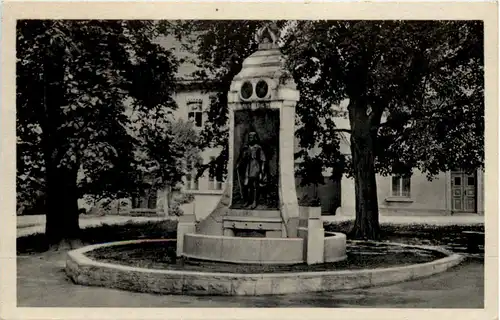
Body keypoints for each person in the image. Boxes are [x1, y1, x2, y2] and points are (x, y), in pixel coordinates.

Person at [237, 131, 267, 209]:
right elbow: (242, 158)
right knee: (246, 185)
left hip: (255, 166)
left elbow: (263, 159)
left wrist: (262, 169)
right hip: (247, 167)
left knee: (254, 185)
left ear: (255, 138)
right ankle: (247, 201)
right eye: (249, 137)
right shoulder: (246, 147)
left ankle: (254, 201)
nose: (250, 138)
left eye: (252, 137)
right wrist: (239, 164)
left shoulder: (258, 148)